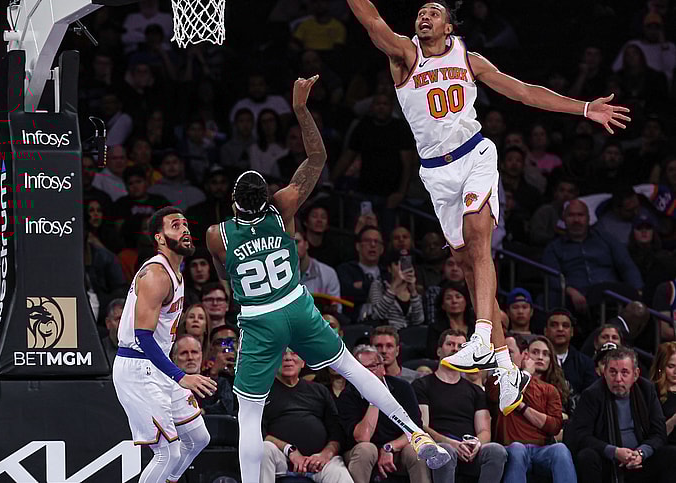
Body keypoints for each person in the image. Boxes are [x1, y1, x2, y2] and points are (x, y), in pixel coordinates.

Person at [346, 0, 630, 415]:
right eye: (421, 11)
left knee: (479, 241)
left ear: (449, 26)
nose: (424, 16)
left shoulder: (469, 58)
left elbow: (524, 92)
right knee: (467, 267)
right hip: (434, 173)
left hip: (474, 155)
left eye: (434, 12)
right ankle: (505, 367)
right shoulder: (405, 54)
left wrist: (584, 108)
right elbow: (370, 18)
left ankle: (481, 337)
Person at [206, 77, 449, 483]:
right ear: (267, 197)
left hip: (260, 316)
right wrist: (301, 109)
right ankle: (415, 432)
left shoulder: (218, 235)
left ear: (233, 204)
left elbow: (226, 278)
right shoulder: (283, 206)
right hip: (296, 305)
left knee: (249, 413)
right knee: (353, 370)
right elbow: (318, 157)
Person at [112, 206, 214, 483]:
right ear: (159, 237)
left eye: (186, 225)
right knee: (167, 452)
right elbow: (143, 336)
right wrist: (181, 376)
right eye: (176, 226)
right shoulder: (156, 274)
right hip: (137, 366)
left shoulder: (177, 273)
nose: (185, 230)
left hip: (157, 365)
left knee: (198, 438)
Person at [566, 347, 676, 483]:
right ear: (604, 373)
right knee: (587, 456)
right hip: (607, 461)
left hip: (640, 460)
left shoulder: (646, 390)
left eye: (624, 372)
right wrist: (614, 451)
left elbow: (659, 433)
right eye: (613, 372)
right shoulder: (592, 395)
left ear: (635, 374)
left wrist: (641, 453)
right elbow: (581, 436)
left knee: (671, 454)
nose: (618, 379)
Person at [413, 329, 507, 483]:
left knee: (496, 450)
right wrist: (451, 443)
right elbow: (423, 426)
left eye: (460, 346)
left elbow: (484, 431)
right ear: (438, 351)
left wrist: (476, 444)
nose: (455, 349)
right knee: (446, 451)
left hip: (468, 449)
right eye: (450, 344)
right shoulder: (422, 385)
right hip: (440, 447)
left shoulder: (475, 391)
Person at [337, 345, 431, 483]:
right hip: (362, 451)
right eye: (362, 369)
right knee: (366, 449)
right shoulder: (348, 395)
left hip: (396, 448)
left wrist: (389, 448)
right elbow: (363, 437)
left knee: (416, 451)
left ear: (382, 368)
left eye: (373, 366)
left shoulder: (402, 388)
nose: (368, 372)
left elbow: (415, 429)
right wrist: (374, 398)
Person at [490, 335, 576, 483]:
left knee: (560, 449)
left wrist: (522, 407)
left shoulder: (550, 390)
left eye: (545, 354)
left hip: (542, 451)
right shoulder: (499, 380)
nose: (540, 357)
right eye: (535, 352)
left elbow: (555, 426)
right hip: (512, 447)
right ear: (525, 355)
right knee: (517, 448)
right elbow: (504, 396)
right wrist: (526, 374)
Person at [260, 350, 352, 483]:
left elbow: (337, 432)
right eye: (282, 353)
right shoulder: (263, 393)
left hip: (319, 461)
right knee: (264, 449)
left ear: (303, 362)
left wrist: (325, 455)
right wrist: (289, 450)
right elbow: (259, 433)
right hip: (281, 459)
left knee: (340, 475)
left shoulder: (319, 390)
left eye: (294, 353)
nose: (288, 358)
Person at [650, 342, 676, 444]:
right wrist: (674, 420)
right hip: (665, 447)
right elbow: (655, 436)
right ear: (661, 366)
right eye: (671, 366)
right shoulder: (652, 392)